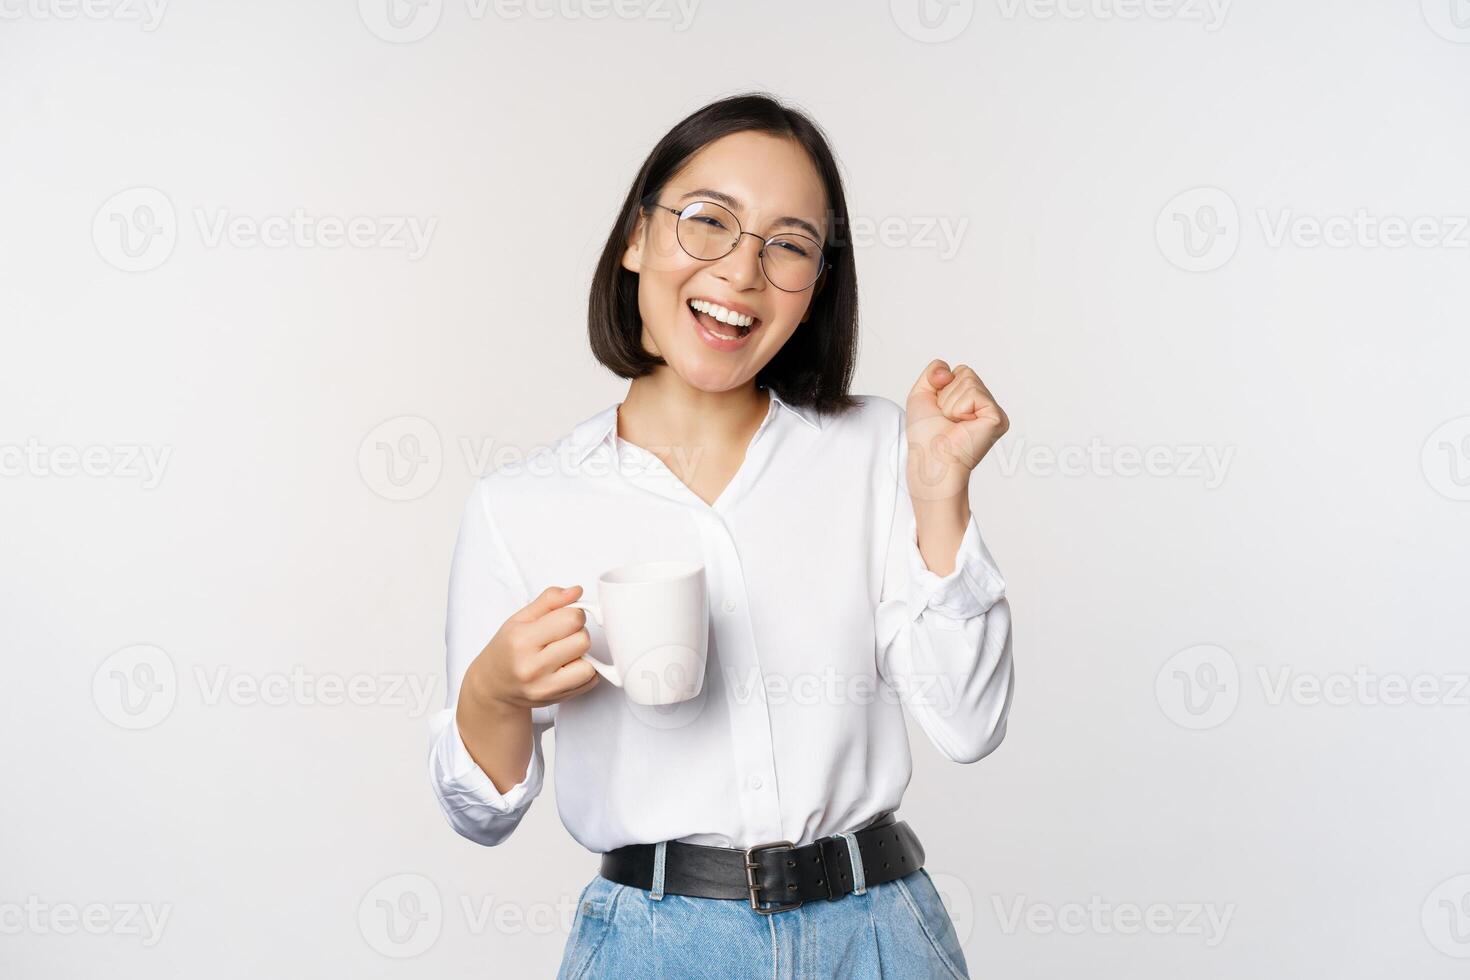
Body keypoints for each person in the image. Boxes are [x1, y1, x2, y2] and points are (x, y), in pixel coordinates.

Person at [427, 92, 1014, 979]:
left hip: (881, 936)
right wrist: (497, 694)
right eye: (709, 222)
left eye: (789, 245)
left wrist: (940, 496)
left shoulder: (879, 448)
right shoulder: (522, 504)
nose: (743, 272)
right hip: (656, 949)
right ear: (636, 239)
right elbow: (482, 815)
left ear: (816, 285)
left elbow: (970, 725)